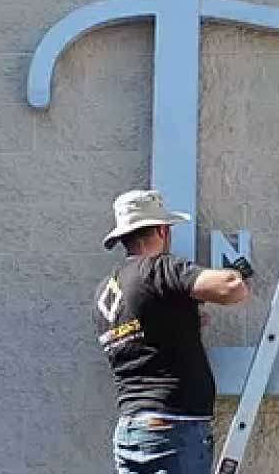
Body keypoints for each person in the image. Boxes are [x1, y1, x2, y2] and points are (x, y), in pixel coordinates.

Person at [94, 189, 250, 474]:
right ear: (161, 230)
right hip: (172, 431)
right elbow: (230, 288)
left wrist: (185, 320)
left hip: (132, 430)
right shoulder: (158, 268)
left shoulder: (107, 291)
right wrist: (237, 274)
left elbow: (147, 334)